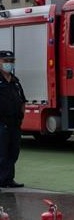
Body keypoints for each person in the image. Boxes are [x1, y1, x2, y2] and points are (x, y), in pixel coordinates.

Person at [0, 50, 26, 188]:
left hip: (15, 124)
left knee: (13, 152)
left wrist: (22, 116)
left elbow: (22, 100)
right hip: (2, 123)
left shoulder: (15, 82)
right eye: (5, 61)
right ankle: (2, 180)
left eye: (11, 61)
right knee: (2, 153)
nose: (8, 64)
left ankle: (9, 179)